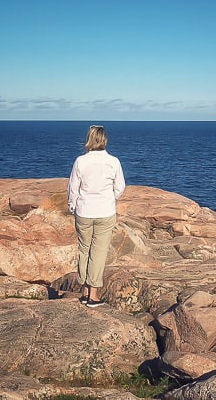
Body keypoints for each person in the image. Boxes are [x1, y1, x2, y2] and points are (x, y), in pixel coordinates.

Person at [67, 125, 125, 308]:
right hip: (105, 212)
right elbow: (120, 187)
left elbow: (73, 188)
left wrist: (72, 205)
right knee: (98, 252)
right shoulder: (113, 161)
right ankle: (93, 295)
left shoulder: (80, 161)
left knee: (84, 250)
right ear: (105, 139)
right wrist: (110, 198)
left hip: (84, 212)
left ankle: (84, 291)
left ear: (90, 139)